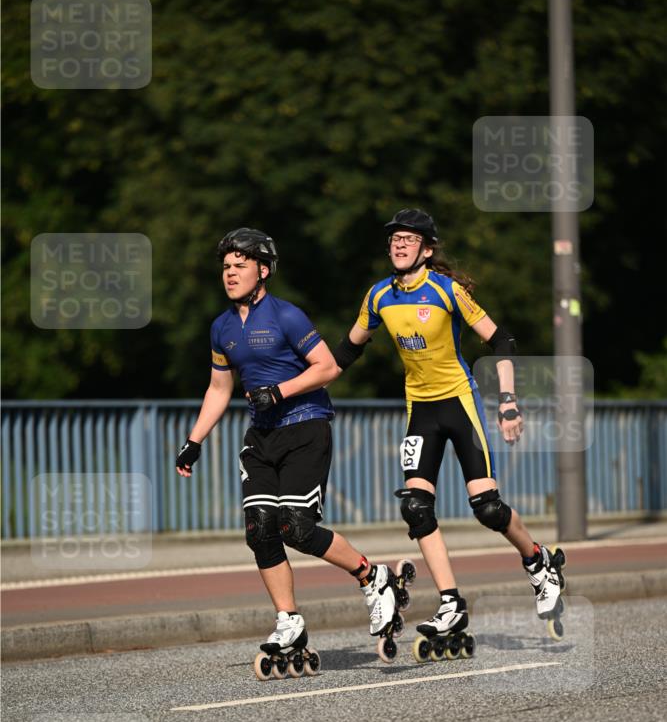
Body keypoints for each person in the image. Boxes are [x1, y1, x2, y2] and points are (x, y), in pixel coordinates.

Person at [176, 227, 401, 676]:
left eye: (240, 265)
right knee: (260, 528)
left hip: (305, 428)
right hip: (261, 437)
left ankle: (372, 576)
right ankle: (289, 620)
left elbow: (328, 367)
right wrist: (194, 440)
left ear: (263, 270)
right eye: (226, 267)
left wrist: (278, 392)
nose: (231, 273)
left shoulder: (287, 316)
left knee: (295, 527)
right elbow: (219, 388)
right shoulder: (221, 328)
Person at [333, 208, 565, 641]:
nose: (399, 244)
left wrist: (509, 402)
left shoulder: (446, 290)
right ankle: (451, 604)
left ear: (427, 248)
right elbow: (345, 353)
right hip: (420, 410)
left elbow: (501, 340)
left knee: (488, 509)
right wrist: (297, 385)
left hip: (460, 403)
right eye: (394, 239)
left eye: (409, 238)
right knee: (415, 508)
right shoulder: (379, 295)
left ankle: (538, 562)